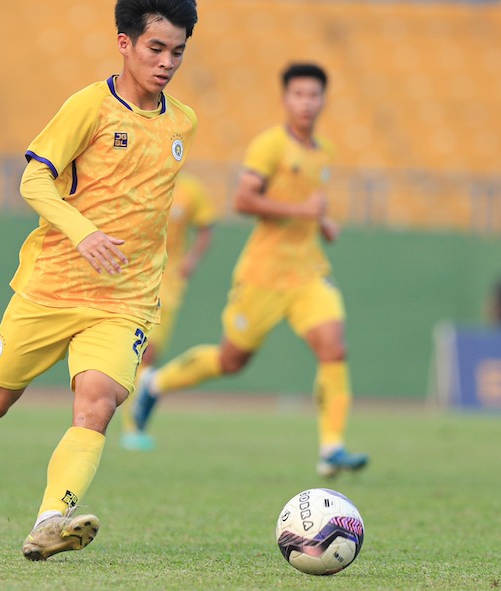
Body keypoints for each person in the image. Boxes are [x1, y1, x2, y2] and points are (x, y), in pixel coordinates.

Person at [0, 0, 198, 561]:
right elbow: (33, 179)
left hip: (126, 299)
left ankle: (51, 520)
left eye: (177, 51)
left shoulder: (183, 124)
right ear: (124, 43)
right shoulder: (88, 106)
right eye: (156, 48)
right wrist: (84, 231)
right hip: (52, 285)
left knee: (97, 403)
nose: (167, 62)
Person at [131, 63, 369, 478]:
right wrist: (303, 211)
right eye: (299, 94)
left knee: (334, 348)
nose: (307, 103)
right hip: (262, 275)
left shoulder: (324, 152)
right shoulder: (269, 146)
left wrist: (322, 223)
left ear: (323, 101)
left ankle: (331, 448)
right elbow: (243, 201)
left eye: (314, 95)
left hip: (309, 271)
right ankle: (156, 384)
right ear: (284, 100)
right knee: (231, 360)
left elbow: (307, 202)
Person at [120, 170, 215, 450]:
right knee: (135, 350)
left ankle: (132, 424)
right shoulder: (138, 179)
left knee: (148, 352)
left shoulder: (190, 189)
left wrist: (191, 260)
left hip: (168, 283)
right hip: (133, 276)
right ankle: (127, 422)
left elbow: (206, 228)